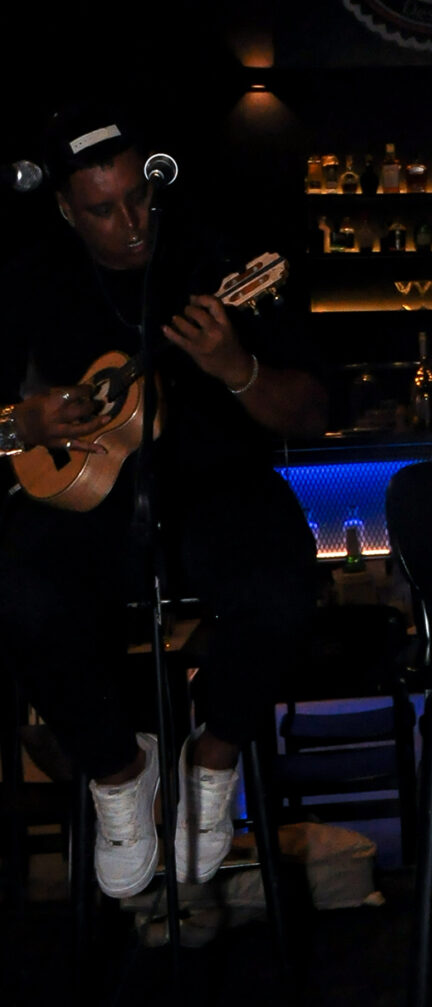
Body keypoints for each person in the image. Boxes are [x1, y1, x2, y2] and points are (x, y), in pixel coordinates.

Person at [0, 108, 324, 899]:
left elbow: (314, 412)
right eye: (103, 210)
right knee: (17, 587)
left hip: (216, 492)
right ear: (65, 209)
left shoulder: (218, 260)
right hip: (87, 506)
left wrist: (238, 369)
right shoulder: (30, 279)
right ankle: (119, 771)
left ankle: (213, 759)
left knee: (283, 573)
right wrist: (21, 425)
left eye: (138, 198)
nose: (131, 224)